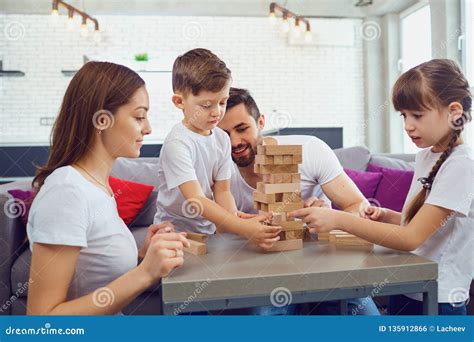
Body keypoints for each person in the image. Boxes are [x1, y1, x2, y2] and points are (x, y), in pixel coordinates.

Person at [290, 59, 473, 315]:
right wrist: (388, 216)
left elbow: (411, 238)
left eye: (417, 115)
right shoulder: (427, 156)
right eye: (404, 115)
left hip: (439, 296)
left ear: (454, 111)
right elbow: (427, 227)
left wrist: (339, 219)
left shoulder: (461, 165)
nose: (408, 125)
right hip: (409, 285)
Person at [27, 61, 190, 315]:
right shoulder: (66, 193)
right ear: (102, 119)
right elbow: (41, 323)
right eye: (139, 117)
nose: (147, 128)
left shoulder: (98, 186)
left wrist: (141, 255)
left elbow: (92, 277)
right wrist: (145, 273)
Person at [218, 87, 379, 315]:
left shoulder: (310, 150)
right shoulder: (216, 172)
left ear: (261, 122)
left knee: (364, 316)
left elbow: (358, 206)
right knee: (262, 314)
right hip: (262, 269)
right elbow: (219, 234)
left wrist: (332, 218)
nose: (234, 142)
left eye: (242, 129)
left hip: (324, 262)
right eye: (223, 134)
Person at [154, 48, 280, 250]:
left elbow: (222, 191)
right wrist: (242, 227)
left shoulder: (221, 138)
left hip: (207, 231)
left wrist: (235, 220)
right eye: (206, 105)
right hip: (174, 233)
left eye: (222, 102)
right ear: (179, 102)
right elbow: (196, 199)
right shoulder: (177, 143)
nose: (217, 112)